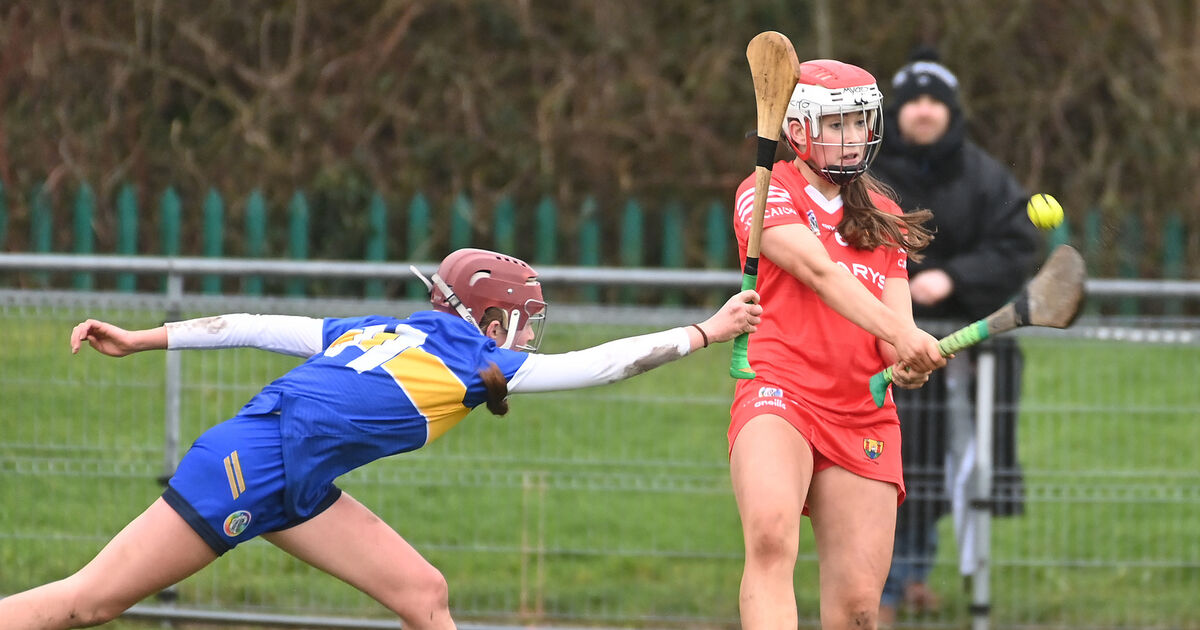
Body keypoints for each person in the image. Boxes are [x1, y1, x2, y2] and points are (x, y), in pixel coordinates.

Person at [0, 247, 762, 630]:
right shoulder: (475, 359)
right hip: (247, 467)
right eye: (522, 320)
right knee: (85, 604)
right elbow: (600, 366)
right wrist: (707, 329)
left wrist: (144, 338)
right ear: (490, 321)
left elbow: (254, 325)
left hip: (296, 482)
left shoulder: (387, 327)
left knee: (424, 594)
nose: (527, 334)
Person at [728, 59, 948, 630]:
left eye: (860, 122)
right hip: (780, 393)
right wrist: (902, 334)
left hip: (862, 414)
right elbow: (821, 273)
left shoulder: (885, 216)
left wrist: (906, 361)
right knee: (772, 539)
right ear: (797, 130)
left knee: (857, 611)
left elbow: (891, 331)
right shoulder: (763, 192)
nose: (853, 137)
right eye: (837, 123)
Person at [870, 47, 1040, 625]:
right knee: (893, 464)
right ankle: (884, 590)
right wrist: (902, 288)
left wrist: (954, 278)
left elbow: (1016, 248)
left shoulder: (987, 177)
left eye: (933, 101)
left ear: (950, 111)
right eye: (912, 100)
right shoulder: (863, 175)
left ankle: (915, 573)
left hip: (968, 354)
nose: (922, 111)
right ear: (897, 111)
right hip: (884, 348)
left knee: (949, 470)